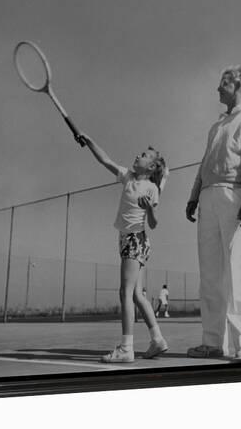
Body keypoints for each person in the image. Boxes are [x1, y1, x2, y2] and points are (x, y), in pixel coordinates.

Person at [185, 66, 241, 362]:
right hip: (208, 199)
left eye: (223, 84)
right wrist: (194, 196)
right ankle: (212, 342)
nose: (218, 89)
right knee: (210, 275)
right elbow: (204, 164)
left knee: (239, 271)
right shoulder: (216, 126)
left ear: (239, 86)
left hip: (235, 197)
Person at [77, 132, 169, 363]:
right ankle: (157, 339)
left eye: (144, 155)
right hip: (131, 241)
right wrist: (90, 141)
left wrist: (150, 210)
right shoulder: (128, 177)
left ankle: (126, 348)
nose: (137, 155)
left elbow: (154, 224)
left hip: (135, 240)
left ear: (150, 167)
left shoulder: (151, 189)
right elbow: (105, 160)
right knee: (137, 294)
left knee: (125, 293)